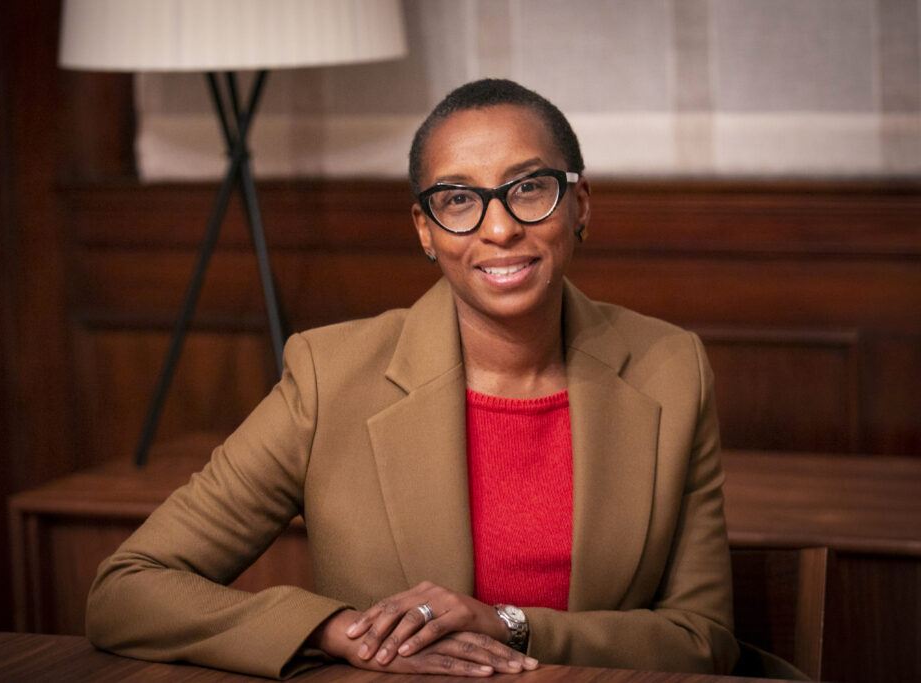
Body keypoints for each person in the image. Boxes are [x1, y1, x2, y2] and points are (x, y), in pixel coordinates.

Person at [86, 79, 739, 678]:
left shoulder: (669, 369)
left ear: (580, 203)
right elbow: (128, 587)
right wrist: (332, 628)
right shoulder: (329, 376)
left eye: (530, 187)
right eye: (458, 199)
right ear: (425, 230)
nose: (501, 226)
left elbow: (702, 638)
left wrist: (512, 625)